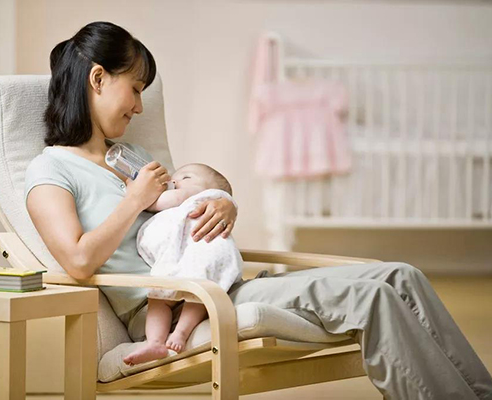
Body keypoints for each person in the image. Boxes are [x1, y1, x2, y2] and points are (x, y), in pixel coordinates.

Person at [24, 21, 492, 399]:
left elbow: (184, 209)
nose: (140, 107)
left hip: (221, 282)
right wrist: (133, 201)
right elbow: (78, 260)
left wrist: (223, 205)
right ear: (98, 78)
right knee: (373, 299)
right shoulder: (51, 170)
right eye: (136, 88)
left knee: (402, 276)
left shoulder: (129, 156)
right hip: (176, 305)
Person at [123, 163, 243, 366]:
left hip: (202, 254)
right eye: (175, 177)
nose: (175, 181)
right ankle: (164, 340)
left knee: (165, 297)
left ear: (210, 190)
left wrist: (133, 190)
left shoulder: (200, 197)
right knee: (191, 297)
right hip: (191, 260)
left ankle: (167, 337)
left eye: (186, 177)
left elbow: (153, 202)